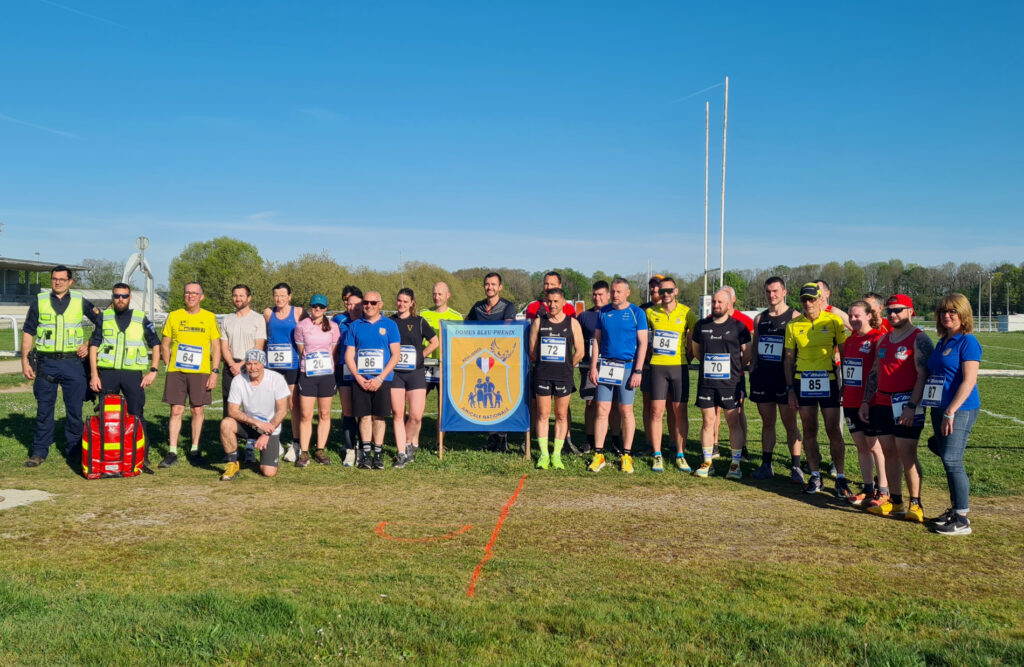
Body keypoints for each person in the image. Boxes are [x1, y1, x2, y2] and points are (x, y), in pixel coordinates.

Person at [860, 295, 935, 522]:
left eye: (898, 310)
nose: (893, 314)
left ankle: (916, 503)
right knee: (889, 453)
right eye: (890, 311)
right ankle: (895, 501)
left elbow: (923, 374)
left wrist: (912, 406)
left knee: (907, 453)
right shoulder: (884, 340)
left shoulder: (919, 338)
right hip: (882, 403)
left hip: (907, 404)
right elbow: (875, 373)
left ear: (910, 311)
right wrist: (866, 401)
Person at [22, 265, 102, 467]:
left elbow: (102, 322)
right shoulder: (39, 301)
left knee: (74, 410)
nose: (57, 282)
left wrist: (88, 344)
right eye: (54, 279)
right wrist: (25, 361)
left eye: (62, 279)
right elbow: (28, 332)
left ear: (70, 281)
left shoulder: (80, 301)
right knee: (44, 410)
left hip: (73, 363)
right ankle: (39, 451)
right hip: (46, 363)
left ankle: (74, 450)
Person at [783, 282, 848, 495]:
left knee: (833, 429)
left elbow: (845, 354)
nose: (808, 303)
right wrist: (790, 388)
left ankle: (840, 477)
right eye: (804, 299)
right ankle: (815, 475)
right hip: (803, 382)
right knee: (809, 429)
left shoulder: (833, 320)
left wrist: (846, 383)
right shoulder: (793, 325)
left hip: (829, 380)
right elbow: (788, 359)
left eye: (812, 299)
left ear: (820, 299)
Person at [925, 293, 981, 536]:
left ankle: (962, 518)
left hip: (959, 409)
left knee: (952, 460)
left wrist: (951, 411)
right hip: (939, 408)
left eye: (952, 311)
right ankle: (955, 509)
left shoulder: (967, 342)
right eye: (943, 311)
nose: (946, 316)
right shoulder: (943, 342)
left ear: (963, 314)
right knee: (947, 458)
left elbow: (969, 381)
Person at [88, 283, 161, 466]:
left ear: (130, 297)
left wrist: (153, 371)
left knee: (136, 414)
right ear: (112, 297)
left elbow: (155, 344)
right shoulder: (103, 317)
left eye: (124, 296)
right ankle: (107, 454)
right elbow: (94, 346)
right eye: (117, 296)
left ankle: (141, 455)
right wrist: (94, 375)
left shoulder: (140, 317)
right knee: (106, 415)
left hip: (132, 375)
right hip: (107, 374)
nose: (120, 299)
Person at [587, 278, 648, 473]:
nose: (615, 295)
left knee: (626, 410)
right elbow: (597, 340)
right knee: (602, 409)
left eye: (619, 291)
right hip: (606, 365)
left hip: (628, 367)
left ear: (627, 293)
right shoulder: (604, 312)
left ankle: (626, 455)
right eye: (613, 291)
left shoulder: (637, 313)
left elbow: (643, 344)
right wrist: (593, 367)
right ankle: (599, 454)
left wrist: (638, 370)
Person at [159, 282, 221, 468]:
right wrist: (168, 363)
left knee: (197, 410)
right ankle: (172, 452)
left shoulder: (209, 317)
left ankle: (195, 449)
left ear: (201, 297)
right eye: (187, 293)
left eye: (195, 293)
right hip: (177, 372)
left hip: (200, 372)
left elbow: (216, 347)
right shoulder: (174, 316)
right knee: (176, 410)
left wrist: (214, 372)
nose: (191, 296)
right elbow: (165, 343)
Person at [692, 289, 751, 479]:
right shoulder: (701, 325)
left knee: (733, 422)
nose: (716, 305)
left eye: (720, 302)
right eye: (714, 302)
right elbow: (697, 352)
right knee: (708, 421)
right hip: (707, 383)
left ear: (728, 304)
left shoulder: (739, 327)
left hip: (730, 383)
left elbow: (747, 353)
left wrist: (735, 368)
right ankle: (707, 462)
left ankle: (735, 464)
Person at [749, 277, 803, 482]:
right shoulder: (759, 319)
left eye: (775, 291)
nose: (771, 295)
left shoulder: (795, 317)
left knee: (790, 424)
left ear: (784, 292)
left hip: (785, 379)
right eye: (768, 292)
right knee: (767, 423)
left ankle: (796, 467)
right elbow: (755, 347)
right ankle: (766, 465)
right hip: (763, 377)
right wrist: (753, 368)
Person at [644, 276, 697, 472]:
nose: (665, 294)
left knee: (680, 412)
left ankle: (680, 454)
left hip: (679, 367)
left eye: (669, 290)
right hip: (658, 367)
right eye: (662, 291)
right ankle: (657, 455)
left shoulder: (687, 312)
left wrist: (689, 356)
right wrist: (648, 355)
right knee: (656, 411)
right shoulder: (650, 312)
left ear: (676, 291)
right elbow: (643, 339)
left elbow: (696, 338)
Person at [345, 290, 401, 469]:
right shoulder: (355, 326)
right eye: (366, 302)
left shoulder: (390, 325)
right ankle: (366, 454)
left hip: (382, 380)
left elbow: (396, 355)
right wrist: (358, 377)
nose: (369, 306)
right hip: (361, 380)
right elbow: (349, 354)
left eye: (373, 303)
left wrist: (380, 378)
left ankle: (378, 454)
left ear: (380, 305)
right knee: (364, 417)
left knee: (379, 417)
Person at [529, 288, 584, 469]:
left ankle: (557, 455)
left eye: (556, 301)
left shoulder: (572, 323)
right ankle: (544, 455)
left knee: (561, 415)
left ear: (564, 302)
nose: (552, 305)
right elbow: (532, 351)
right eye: (549, 301)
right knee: (543, 414)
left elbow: (580, 352)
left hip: (563, 377)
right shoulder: (539, 322)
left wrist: (567, 365)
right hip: (543, 375)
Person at [841, 301, 888, 509]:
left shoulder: (877, 338)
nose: (853, 319)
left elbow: (877, 372)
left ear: (869, 316)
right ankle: (868, 488)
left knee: (875, 446)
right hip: (850, 401)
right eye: (850, 315)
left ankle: (883, 490)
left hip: (869, 403)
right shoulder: (850, 340)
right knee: (861, 446)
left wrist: (867, 401)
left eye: (857, 315)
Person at [219, 349, 290, 481]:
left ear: (263, 364)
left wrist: (266, 433)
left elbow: (282, 411)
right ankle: (232, 464)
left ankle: (274, 446)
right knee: (226, 423)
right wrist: (257, 423)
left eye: (256, 363)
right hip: (250, 424)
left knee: (268, 472)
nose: (252, 368)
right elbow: (232, 411)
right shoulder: (238, 380)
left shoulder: (276, 379)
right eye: (249, 364)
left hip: (270, 428)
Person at [465, 272, 517, 451]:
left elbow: (507, 332)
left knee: (500, 399)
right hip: (482, 360)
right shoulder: (477, 307)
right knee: (487, 401)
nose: (490, 287)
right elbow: (465, 328)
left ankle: (503, 438)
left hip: (501, 361)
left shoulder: (508, 306)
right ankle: (492, 437)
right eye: (487, 284)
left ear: (500, 287)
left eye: (493, 284)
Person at [390, 288, 439, 467]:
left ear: (412, 303)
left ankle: (410, 442)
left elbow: (435, 342)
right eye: (399, 300)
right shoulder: (390, 321)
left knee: (416, 415)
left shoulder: (419, 321)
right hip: (396, 373)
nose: (401, 304)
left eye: (405, 301)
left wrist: (421, 356)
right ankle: (402, 452)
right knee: (398, 414)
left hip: (415, 373)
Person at [220, 284, 267, 464]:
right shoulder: (227, 319)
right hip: (230, 367)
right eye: (235, 295)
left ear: (249, 298)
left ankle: (250, 447)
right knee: (229, 407)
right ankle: (230, 450)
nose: (238, 298)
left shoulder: (258, 319)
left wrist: (242, 364)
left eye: (241, 295)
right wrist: (232, 364)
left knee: (251, 408)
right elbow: (224, 345)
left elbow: (259, 345)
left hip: (251, 367)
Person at [293, 294, 340, 467]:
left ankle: (320, 449)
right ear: (310, 307)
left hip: (326, 375)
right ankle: (304, 452)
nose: (317, 309)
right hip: (308, 374)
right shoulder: (301, 326)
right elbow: (301, 350)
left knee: (324, 413)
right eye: (314, 306)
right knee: (305, 414)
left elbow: (332, 351)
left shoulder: (333, 327)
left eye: (321, 307)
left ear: (326, 309)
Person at [577, 281, 621, 455]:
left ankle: (615, 439)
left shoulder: (615, 313)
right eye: (594, 294)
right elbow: (577, 340)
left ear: (608, 295)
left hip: (612, 365)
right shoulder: (584, 316)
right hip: (591, 366)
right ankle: (589, 439)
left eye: (601, 294)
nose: (597, 298)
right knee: (591, 403)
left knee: (614, 404)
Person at [263, 282, 305, 462]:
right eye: (276, 295)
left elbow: (309, 330)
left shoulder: (298, 312)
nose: (279, 299)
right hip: (272, 364)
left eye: (282, 295)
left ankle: (296, 443)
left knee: (293, 405)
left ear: (289, 296)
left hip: (292, 364)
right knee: (270, 404)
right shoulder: (268, 313)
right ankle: (273, 440)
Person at [332, 286, 363, 466]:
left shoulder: (369, 320)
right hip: (344, 369)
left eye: (356, 304)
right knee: (348, 411)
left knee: (364, 411)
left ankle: (363, 446)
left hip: (365, 370)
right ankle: (350, 448)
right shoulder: (339, 319)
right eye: (348, 303)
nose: (352, 307)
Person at [420, 281, 463, 390]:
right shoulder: (423, 314)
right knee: (419, 396)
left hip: (445, 363)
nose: (436, 297)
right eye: (434, 294)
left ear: (448, 295)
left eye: (440, 294)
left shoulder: (457, 317)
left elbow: (460, 343)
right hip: (426, 362)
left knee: (443, 398)